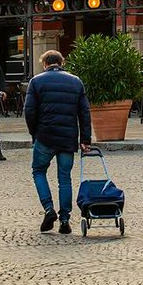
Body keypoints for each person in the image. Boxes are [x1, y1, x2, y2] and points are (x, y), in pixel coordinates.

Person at [23, 49, 93, 235]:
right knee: (65, 178)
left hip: (45, 136)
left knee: (38, 171)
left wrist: (34, 134)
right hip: (67, 138)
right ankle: (64, 219)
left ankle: (48, 209)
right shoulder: (75, 81)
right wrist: (85, 139)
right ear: (62, 63)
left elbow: (29, 111)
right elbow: (84, 113)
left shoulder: (36, 81)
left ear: (44, 64)